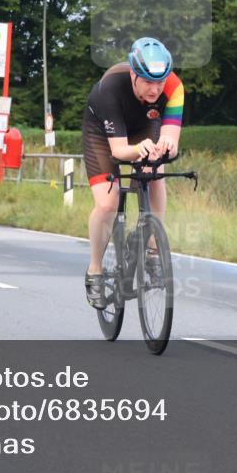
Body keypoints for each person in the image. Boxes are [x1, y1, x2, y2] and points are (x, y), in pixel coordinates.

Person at [81, 37, 184, 309]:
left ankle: (151, 247)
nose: (155, 89)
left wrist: (167, 146)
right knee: (107, 203)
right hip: (104, 135)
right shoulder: (111, 89)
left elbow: (172, 137)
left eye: (160, 82)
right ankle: (95, 270)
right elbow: (118, 151)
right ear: (132, 74)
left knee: (155, 170)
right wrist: (138, 149)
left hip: (142, 126)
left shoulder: (174, 88)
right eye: (148, 81)